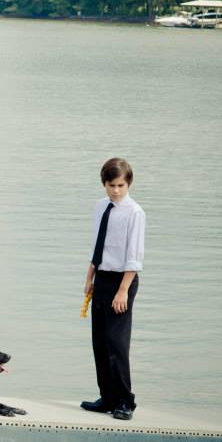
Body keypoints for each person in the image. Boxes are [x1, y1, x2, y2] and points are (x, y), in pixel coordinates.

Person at [81, 158, 145, 421]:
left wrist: (123, 291)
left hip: (123, 280)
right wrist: (90, 277)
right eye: (111, 185)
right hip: (103, 277)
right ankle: (107, 397)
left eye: (120, 185)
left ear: (128, 183)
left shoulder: (135, 213)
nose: (115, 191)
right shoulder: (101, 206)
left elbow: (134, 256)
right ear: (104, 184)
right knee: (100, 341)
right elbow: (98, 243)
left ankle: (125, 401)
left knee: (116, 343)